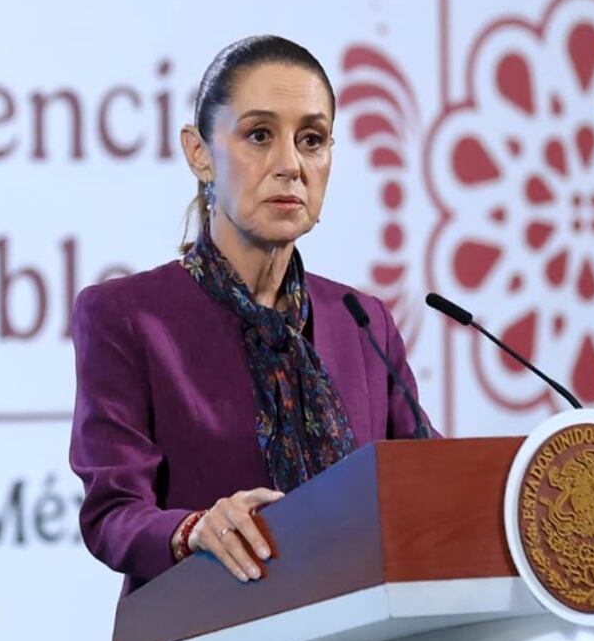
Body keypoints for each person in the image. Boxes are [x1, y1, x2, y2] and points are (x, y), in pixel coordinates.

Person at [68, 35, 437, 597]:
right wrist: (193, 530)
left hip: (359, 625)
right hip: (207, 623)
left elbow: (430, 485)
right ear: (199, 153)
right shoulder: (126, 317)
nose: (290, 166)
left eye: (311, 140)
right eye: (259, 135)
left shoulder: (362, 322)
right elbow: (112, 514)